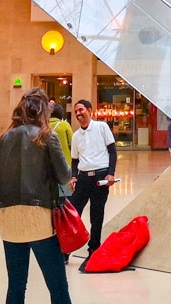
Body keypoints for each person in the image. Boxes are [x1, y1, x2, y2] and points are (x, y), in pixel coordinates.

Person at [0, 88, 72, 304]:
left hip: (8, 218)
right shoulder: (46, 136)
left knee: (16, 286)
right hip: (38, 217)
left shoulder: (3, 139)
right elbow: (65, 176)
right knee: (57, 287)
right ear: (44, 110)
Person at [69, 99, 117, 266]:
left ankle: (93, 250)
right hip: (83, 179)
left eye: (81, 110)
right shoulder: (76, 136)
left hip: (100, 177)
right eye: (76, 111)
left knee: (96, 215)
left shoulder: (102, 127)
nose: (78, 113)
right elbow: (74, 160)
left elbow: (112, 152)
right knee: (73, 213)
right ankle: (66, 250)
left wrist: (111, 173)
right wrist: (73, 176)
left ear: (90, 110)